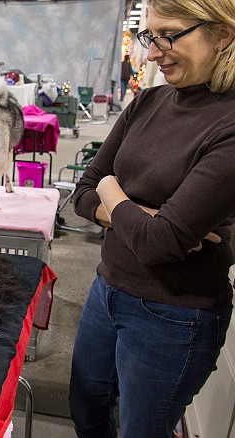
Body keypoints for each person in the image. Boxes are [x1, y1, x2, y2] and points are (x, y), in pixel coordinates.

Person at [69, 0, 235, 436]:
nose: (154, 51)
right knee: (86, 412)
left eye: (169, 35)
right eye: (150, 36)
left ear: (223, 34)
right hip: (107, 288)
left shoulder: (229, 124)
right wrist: (139, 215)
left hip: (174, 315)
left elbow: (156, 244)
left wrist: (112, 189)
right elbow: (81, 194)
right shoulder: (149, 102)